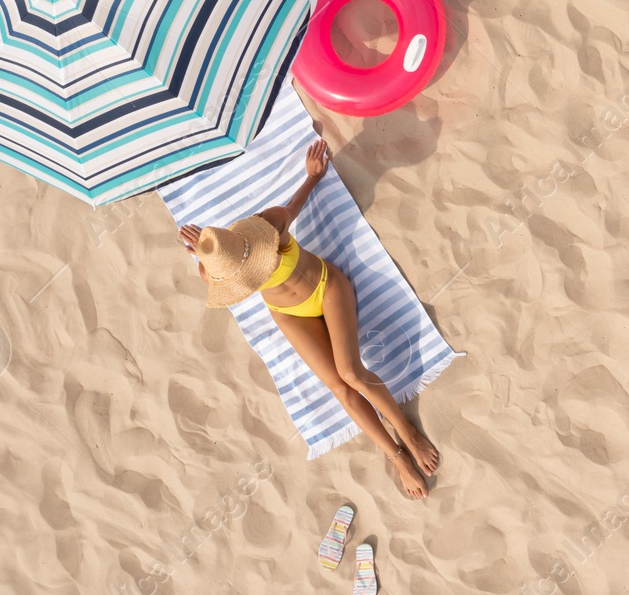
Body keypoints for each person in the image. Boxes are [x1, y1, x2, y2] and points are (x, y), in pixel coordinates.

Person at [177, 137, 439, 499]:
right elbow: (210, 274)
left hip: (327, 288)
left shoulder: (269, 225)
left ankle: (406, 431)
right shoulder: (217, 273)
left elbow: (293, 206)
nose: (244, 282)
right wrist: (204, 255)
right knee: (339, 388)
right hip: (289, 314)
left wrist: (313, 177)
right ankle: (396, 457)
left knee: (351, 372)